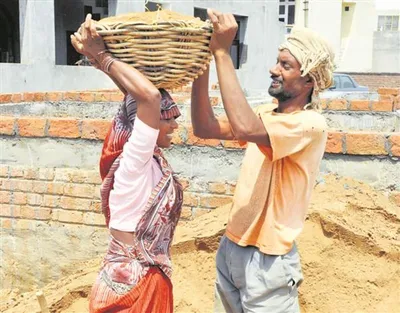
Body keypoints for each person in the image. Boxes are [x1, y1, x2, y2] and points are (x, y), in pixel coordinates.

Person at [191, 8, 335, 313]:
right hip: (232, 249)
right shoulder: (266, 116)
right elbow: (205, 127)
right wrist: (201, 63)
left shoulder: (310, 125)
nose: (273, 69)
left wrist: (221, 52)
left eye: (285, 65)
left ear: (309, 79)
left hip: (269, 262)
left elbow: (243, 126)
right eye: (277, 61)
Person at [71, 14, 182, 313]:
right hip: (131, 286)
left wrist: (102, 63)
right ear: (144, 126)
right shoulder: (134, 160)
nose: (174, 126)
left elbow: (137, 99)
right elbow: (147, 98)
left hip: (139, 278)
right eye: (166, 119)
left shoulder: (150, 161)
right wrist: (101, 55)